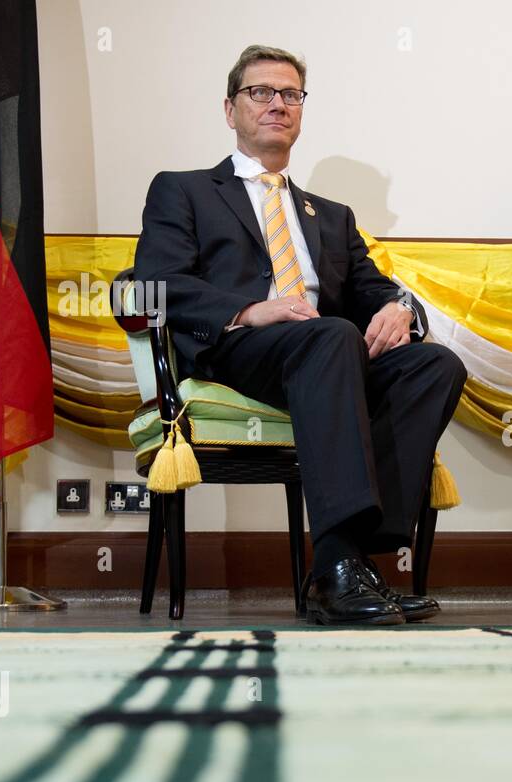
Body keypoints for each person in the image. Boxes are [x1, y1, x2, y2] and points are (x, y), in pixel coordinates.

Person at [134, 45, 466, 626]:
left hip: (325, 356)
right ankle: (338, 565)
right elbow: (155, 282)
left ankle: (353, 560)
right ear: (230, 109)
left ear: (302, 111)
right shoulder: (183, 189)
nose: (277, 104)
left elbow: (376, 289)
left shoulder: (329, 215)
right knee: (334, 334)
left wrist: (401, 308)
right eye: (260, 92)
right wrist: (247, 310)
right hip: (237, 352)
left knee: (433, 364)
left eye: (290, 94)